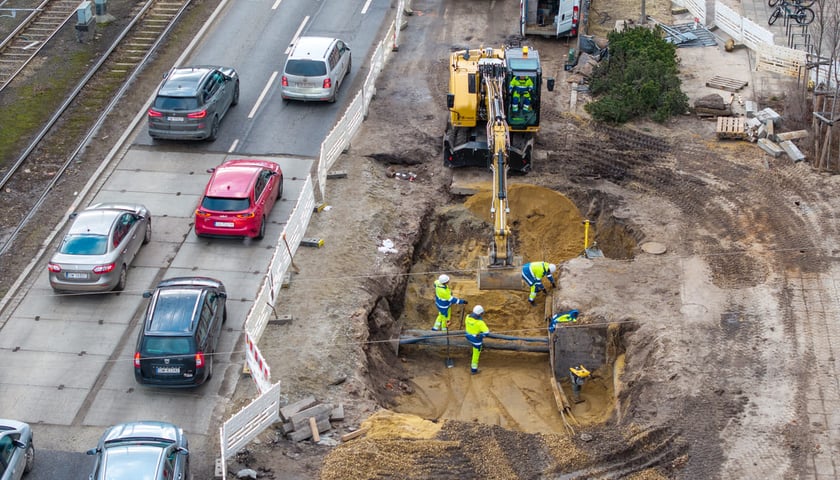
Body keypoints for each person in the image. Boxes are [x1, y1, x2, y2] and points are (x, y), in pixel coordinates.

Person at [464, 305, 490, 374]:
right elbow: (486, 332)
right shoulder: (480, 323)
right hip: (476, 341)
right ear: (480, 314)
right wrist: (481, 335)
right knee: (476, 355)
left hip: (467, 336)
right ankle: (474, 370)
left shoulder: (467, 317)